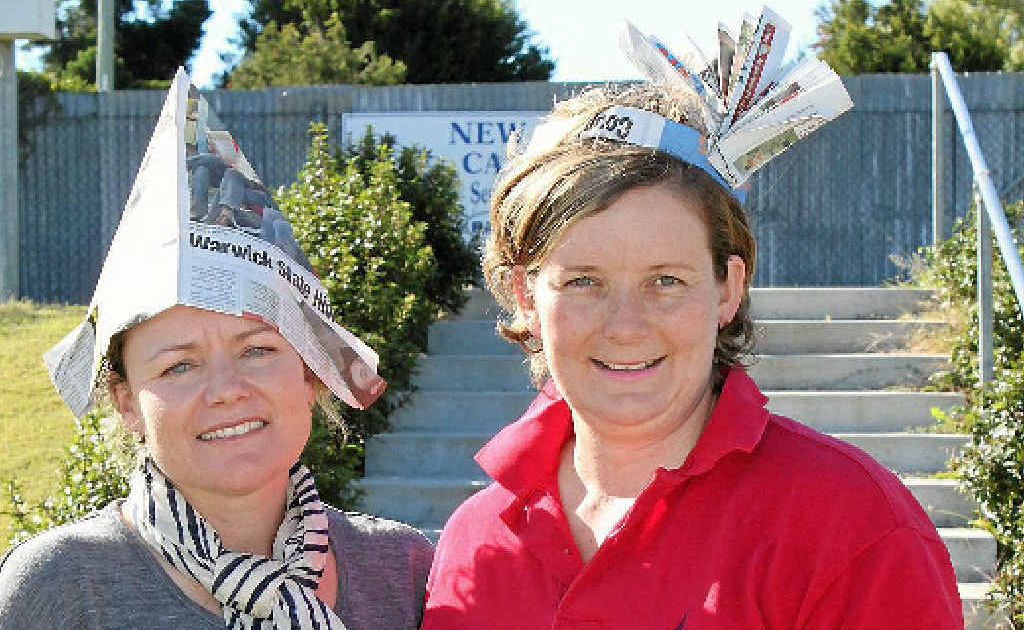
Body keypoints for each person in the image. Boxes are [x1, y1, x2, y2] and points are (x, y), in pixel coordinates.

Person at [420, 82, 963, 628]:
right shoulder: (474, 539)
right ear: (525, 297)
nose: (626, 326)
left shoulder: (849, 521)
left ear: (728, 288)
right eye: (584, 281)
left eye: (666, 281)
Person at [0, 71, 432, 630]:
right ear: (127, 401)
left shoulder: (403, 572)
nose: (227, 389)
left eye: (256, 350)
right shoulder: (56, 590)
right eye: (179, 365)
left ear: (309, 373)